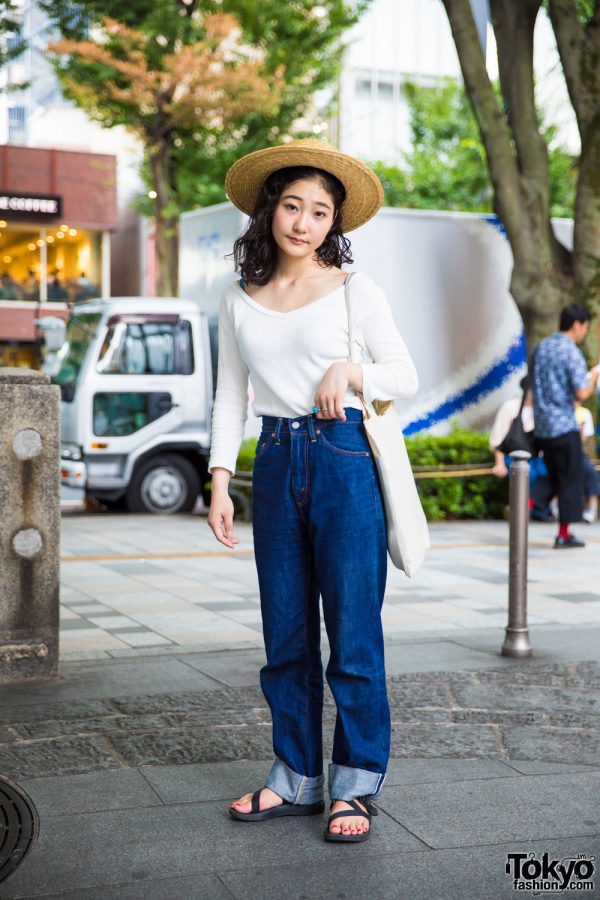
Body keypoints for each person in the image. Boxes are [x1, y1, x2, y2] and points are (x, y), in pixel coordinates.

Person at [206, 138, 418, 843]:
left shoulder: (358, 291)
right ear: (270, 210)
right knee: (285, 636)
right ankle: (294, 777)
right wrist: (218, 481)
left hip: (343, 458)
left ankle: (353, 786)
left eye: (320, 212)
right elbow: (229, 396)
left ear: (335, 224)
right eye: (292, 205)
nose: (303, 222)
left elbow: (404, 375)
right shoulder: (238, 301)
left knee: (353, 633)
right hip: (272, 460)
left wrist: (350, 373)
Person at [532, 304, 600, 548]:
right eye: (585, 327)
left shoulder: (543, 347)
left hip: (542, 427)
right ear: (576, 325)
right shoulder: (570, 351)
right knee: (571, 478)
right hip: (563, 425)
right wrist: (593, 376)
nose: (584, 332)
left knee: (553, 474)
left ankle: (530, 504)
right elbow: (581, 392)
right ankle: (564, 534)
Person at [488, 375, 554, 522]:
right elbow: (498, 438)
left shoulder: (542, 409)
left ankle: (536, 507)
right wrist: (499, 463)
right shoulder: (510, 407)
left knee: (551, 473)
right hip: (512, 457)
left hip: (537, 458)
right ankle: (522, 508)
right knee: (526, 474)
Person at [574, 401, 599, 523]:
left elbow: (586, 441)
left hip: (580, 454)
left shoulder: (584, 413)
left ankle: (592, 509)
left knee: (591, 473)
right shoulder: (561, 411)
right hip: (563, 453)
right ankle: (555, 506)